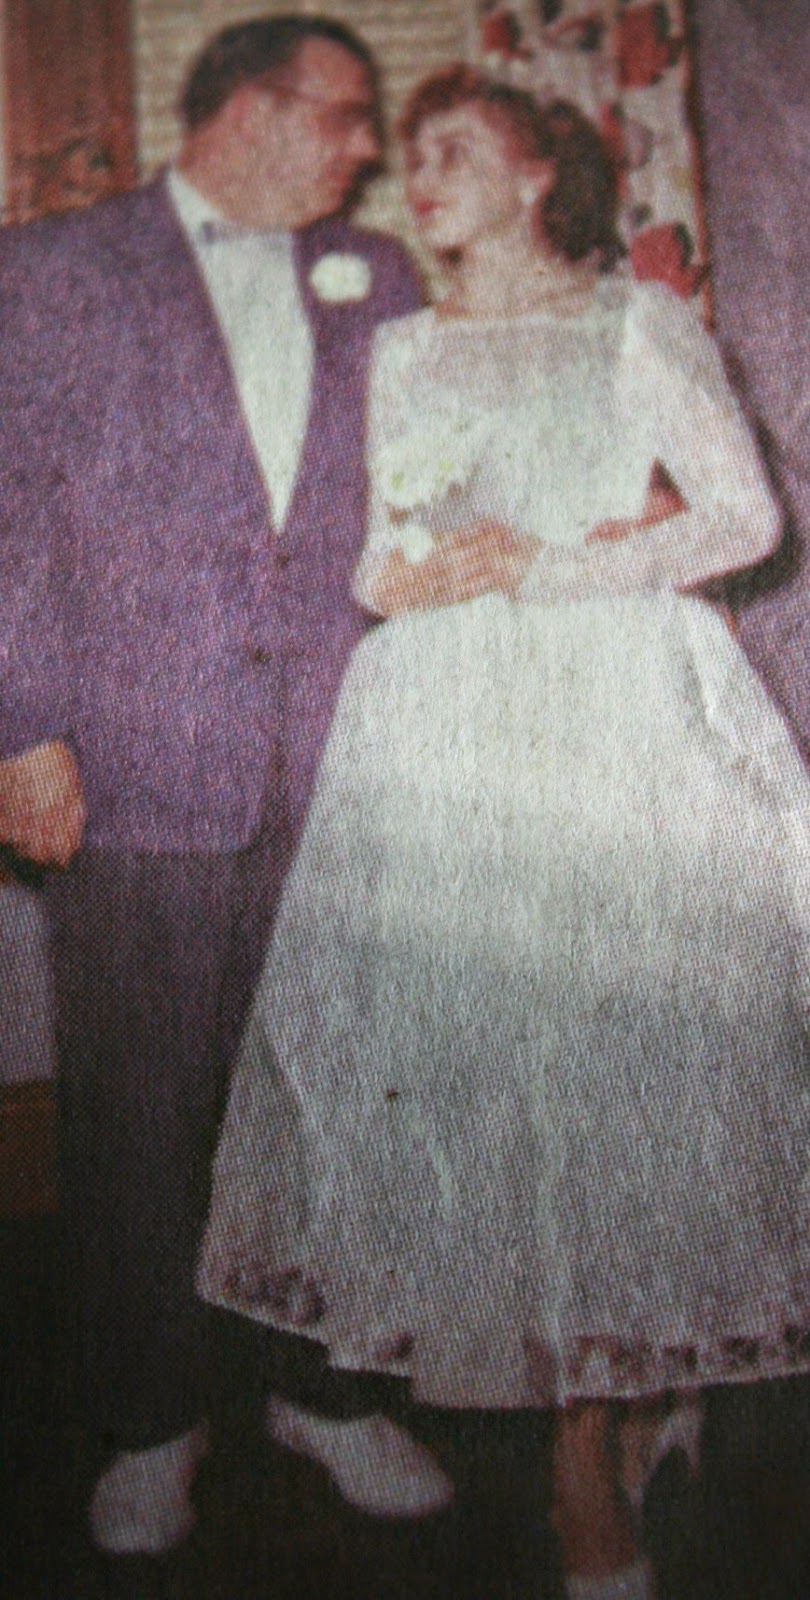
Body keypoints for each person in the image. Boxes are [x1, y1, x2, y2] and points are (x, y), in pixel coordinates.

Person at [199, 69, 810, 1599]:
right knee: (502, 1080)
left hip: (611, 716)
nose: (422, 177)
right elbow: (379, 558)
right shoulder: (404, 348)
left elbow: (742, 520)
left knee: (621, 1070)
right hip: (446, 725)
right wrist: (407, 579)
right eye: (412, 156)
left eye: (456, 151)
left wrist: (546, 565)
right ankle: (587, 1441)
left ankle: (610, 1423)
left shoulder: (634, 324)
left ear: (540, 175)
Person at [0, 14, 460, 1558]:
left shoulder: (376, 278)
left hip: (343, 765)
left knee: (337, 1101)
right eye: (343, 117)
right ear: (250, 110)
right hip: (133, 768)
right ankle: (150, 1420)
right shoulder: (48, 271)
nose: (366, 152)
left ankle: (323, 1393)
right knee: (139, 1113)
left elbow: (426, 493)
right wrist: (18, 728)